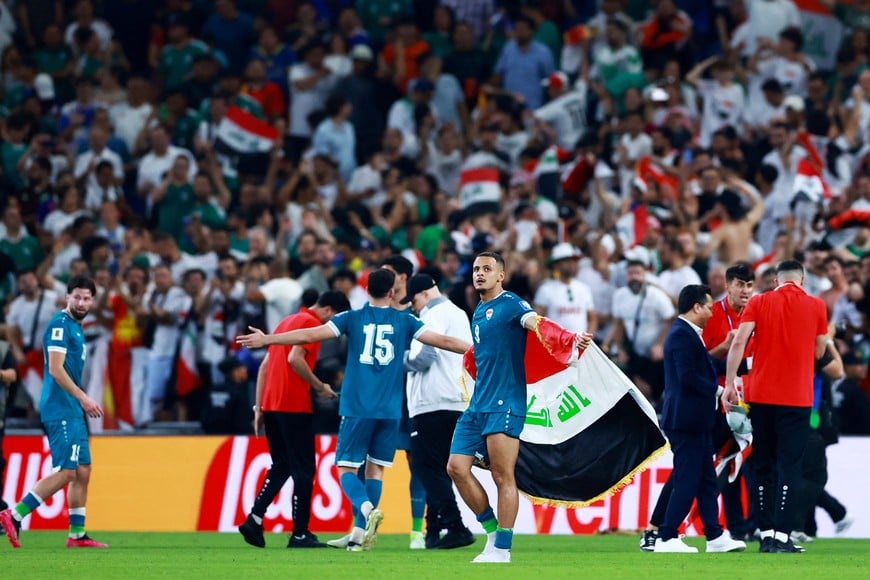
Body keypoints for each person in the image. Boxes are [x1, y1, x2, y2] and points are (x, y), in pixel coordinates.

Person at [236, 269, 471, 552]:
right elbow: (444, 342)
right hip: (390, 410)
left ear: (366, 291)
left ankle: (367, 509)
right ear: (392, 293)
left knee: (345, 467)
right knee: (375, 471)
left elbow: (312, 333)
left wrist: (268, 340)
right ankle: (359, 536)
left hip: (358, 406)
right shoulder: (405, 319)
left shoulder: (352, 317)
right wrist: (478, 348)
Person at [446, 252, 593, 564]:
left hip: (505, 403)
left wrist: (569, 338)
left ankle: (502, 548)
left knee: (503, 476)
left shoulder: (512, 304)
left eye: (487, 269)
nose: (479, 274)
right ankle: (490, 534)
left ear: (501, 275)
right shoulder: (480, 310)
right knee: (456, 468)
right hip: (478, 405)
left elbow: (537, 323)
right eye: (475, 269)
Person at [723, 260, 828, 553]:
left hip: (761, 395)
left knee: (763, 465)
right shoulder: (817, 306)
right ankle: (782, 536)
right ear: (802, 280)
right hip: (796, 398)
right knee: (789, 466)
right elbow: (819, 351)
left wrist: (730, 383)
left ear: (776, 281)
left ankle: (766, 533)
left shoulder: (759, 301)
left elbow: (739, 342)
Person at [0, 276, 108, 549]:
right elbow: (55, 369)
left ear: (92, 301)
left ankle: (76, 534)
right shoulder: (60, 325)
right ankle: (13, 514)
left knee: (83, 470)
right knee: (67, 472)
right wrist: (84, 398)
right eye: (77, 297)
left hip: (71, 406)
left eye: (86, 298)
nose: (82, 303)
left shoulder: (75, 326)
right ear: (67, 297)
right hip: (61, 407)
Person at [237, 290, 350, 549]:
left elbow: (266, 365)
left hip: (273, 404)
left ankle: (254, 518)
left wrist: (259, 407)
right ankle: (300, 533)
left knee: (282, 465)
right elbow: (295, 359)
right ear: (329, 310)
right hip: (293, 404)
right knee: (303, 470)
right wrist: (319, 386)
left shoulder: (287, 321)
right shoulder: (311, 324)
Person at [654, 284, 746, 553]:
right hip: (686, 421)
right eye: (708, 306)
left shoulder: (689, 334)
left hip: (695, 420)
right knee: (687, 477)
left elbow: (703, 368)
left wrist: (742, 364)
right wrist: (720, 390)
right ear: (696, 307)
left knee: (706, 479)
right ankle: (667, 535)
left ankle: (715, 535)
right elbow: (687, 377)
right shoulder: (682, 335)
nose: (711, 311)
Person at [401, 273, 475, 550]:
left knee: (424, 466)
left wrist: (396, 360)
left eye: (414, 302)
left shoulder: (432, 313)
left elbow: (424, 356)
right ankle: (433, 531)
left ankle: (455, 526)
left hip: (432, 400)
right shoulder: (457, 312)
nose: (414, 308)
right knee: (441, 468)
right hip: (456, 399)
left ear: (422, 295)